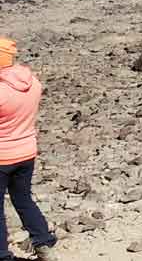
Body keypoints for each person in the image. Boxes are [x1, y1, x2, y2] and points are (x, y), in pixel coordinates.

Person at [0, 38, 59, 261]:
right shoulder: (32, 82)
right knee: (23, 199)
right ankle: (43, 241)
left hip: (3, 157)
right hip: (26, 152)